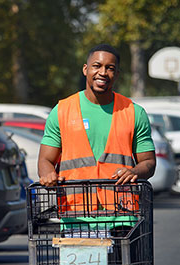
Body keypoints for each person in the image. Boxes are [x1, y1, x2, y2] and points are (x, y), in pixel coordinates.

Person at [38, 43, 156, 208]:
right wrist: (48, 174)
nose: (102, 72)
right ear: (85, 69)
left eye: (110, 68)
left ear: (117, 74)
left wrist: (134, 172)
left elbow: (149, 162)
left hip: (122, 213)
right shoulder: (62, 111)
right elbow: (45, 160)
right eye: (97, 66)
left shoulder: (134, 112)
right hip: (75, 214)